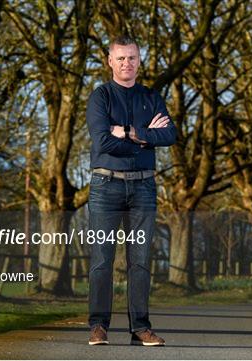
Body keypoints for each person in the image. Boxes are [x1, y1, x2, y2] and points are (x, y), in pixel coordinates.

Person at [85, 35, 176, 346]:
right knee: (102, 260)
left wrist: (130, 132)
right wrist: (143, 139)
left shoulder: (152, 97)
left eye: (132, 58)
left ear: (140, 61)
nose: (127, 63)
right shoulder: (101, 97)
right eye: (121, 58)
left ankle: (140, 329)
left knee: (139, 261)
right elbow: (102, 142)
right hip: (105, 187)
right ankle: (98, 326)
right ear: (111, 61)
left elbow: (170, 134)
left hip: (144, 188)